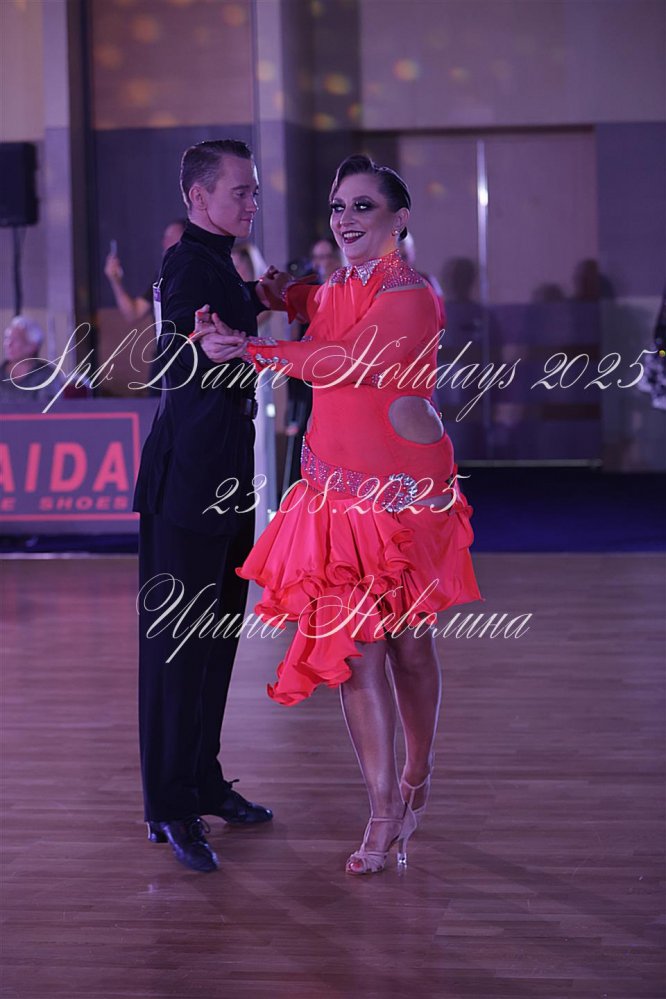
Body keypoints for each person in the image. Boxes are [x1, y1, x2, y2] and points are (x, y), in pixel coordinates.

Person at [201, 154, 482, 876]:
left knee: (410, 649)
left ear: (399, 218)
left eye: (363, 206)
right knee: (357, 655)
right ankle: (383, 809)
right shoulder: (337, 286)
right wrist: (278, 293)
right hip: (333, 495)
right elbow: (319, 305)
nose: (346, 219)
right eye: (337, 207)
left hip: (405, 496)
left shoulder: (413, 294)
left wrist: (253, 348)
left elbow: (346, 359)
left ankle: (418, 769)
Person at [132, 140, 275, 874]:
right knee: (176, 651)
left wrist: (263, 300)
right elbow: (173, 349)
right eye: (240, 191)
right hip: (187, 486)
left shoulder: (221, 261)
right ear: (199, 198)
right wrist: (203, 347)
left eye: (254, 190)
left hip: (222, 480)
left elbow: (223, 323)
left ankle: (203, 780)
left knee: (214, 647)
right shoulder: (188, 262)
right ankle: (169, 804)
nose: (252, 202)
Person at [283, 238, 344, 488]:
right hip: (309, 378)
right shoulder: (312, 293)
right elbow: (296, 341)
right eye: (317, 257)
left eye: (326, 256)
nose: (322, 263)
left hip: (338, 375)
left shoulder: (347, 291)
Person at [0, 316, 64, 405]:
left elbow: (49, 409)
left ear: (33, 346)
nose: (8, 344)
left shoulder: (47, 375)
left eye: (16, 339)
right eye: (7, 338)